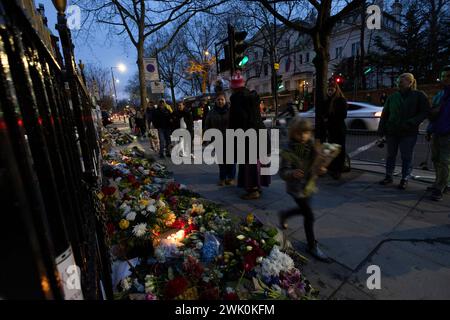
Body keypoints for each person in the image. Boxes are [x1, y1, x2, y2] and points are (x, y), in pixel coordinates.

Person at [279, 117, 329, 262]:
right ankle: (311, 245)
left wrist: (322, 169)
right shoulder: (289, 149)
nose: (303, 136)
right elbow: (282, 172)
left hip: (309, 186)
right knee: (309, 215)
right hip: (296, 188)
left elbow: (317, 166)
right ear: (293, 133)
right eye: (299, 133)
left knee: (304, 211)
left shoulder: (312, 146)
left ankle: (285, 214)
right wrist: (292, 173)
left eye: (306, 133)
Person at [378, 73, 430, 189]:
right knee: (390, 155)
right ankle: (388, 176)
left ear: (410, 82)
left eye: (402, 81)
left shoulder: (419, 96)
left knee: (406, 156)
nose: (399, 83)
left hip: (408, 132)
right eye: (398, 81)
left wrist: (412, 122)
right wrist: (381, 131)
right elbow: (385, 114)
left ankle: (404, 178)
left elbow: (424, 112)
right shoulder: (393, 97)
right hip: (392, 131)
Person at [229, 71, 271, 200]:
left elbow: (237, 120)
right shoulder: (252, 97)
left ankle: (253, 190)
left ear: (233, 87)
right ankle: (258, 186)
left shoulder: (237, 99)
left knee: (249, 165)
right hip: (260, 133)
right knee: (258, 162)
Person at [427, 66, 450, 201]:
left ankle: (441, 186)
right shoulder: (440, 95)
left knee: (445, 161)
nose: (445, 79)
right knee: (436, 159)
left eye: (448, 76)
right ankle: (438, 182)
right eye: (443, 76)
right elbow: (433, 114)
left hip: (447, 133)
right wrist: (430, 130)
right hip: (437, 131)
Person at [205, 93, 236, 186]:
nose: (220, 101)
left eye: (222, 99)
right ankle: (222, 178)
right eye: (218, 99)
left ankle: (231, 177)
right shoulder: (211, 112)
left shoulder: (231, 111)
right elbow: (207, 125)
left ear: (225, 100)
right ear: (215, 101)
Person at [324, 80, 348, 179]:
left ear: (336, 89)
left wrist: (330, 117)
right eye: (328, 90)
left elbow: (343, 115)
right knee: (332, 149)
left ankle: (338, 169)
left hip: (339, 129)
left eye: (331, 89)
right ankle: (333, 168)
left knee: (339, 150)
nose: (330, 91)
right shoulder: (328, 100)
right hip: (331, 129)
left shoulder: (341, 100)